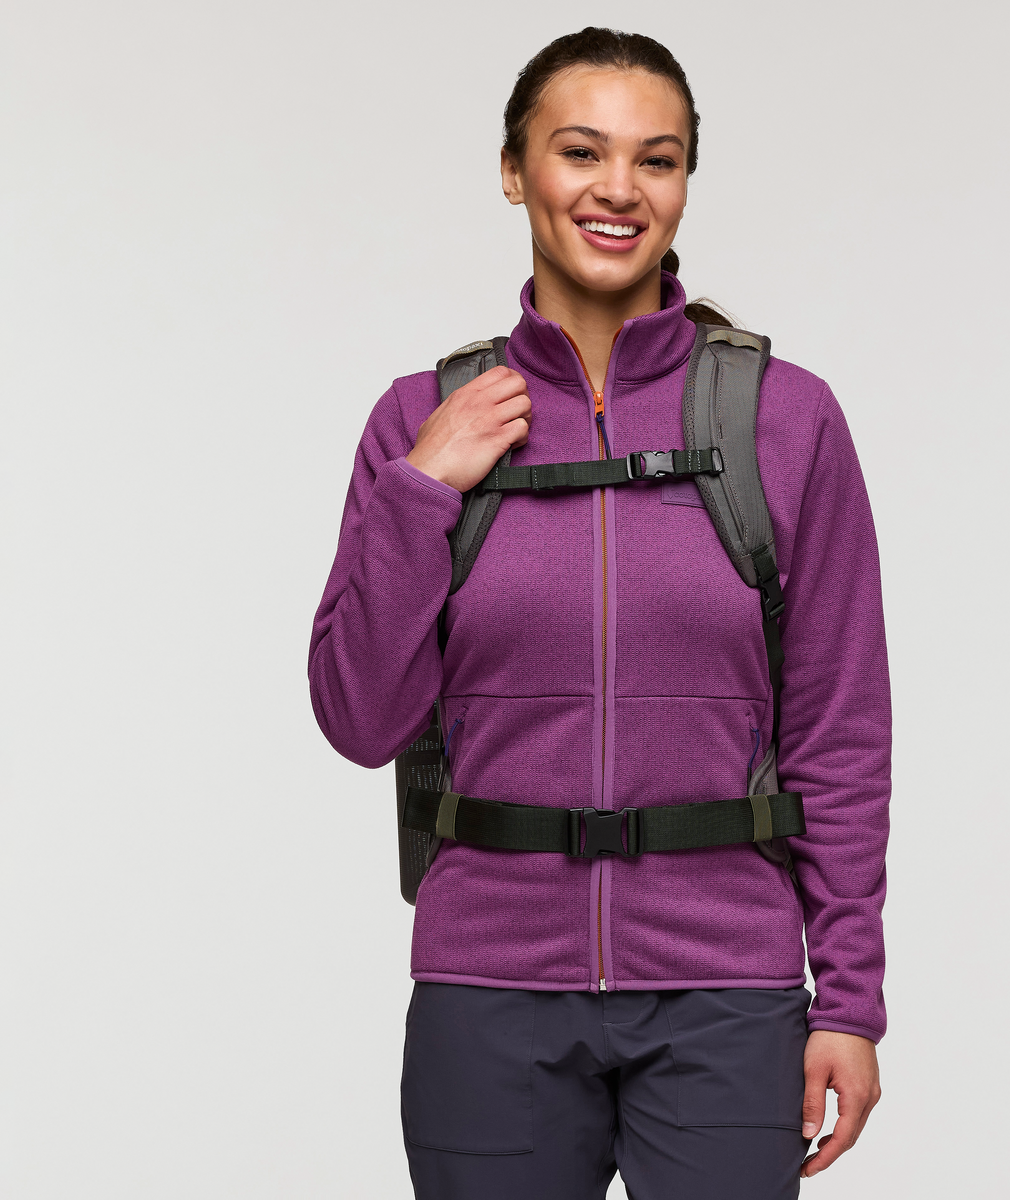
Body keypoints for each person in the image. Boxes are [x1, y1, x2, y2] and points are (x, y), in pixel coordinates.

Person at [309, 26, 889, 1200]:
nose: (619, 189)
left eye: (656, 159)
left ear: (684, 184)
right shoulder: (421, 418)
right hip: (489, 990)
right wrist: (421, 488)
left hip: (729, 989)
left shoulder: (786, 421)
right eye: (581, 151)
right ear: (514, 169)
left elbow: (840, 730)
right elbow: (359, 719)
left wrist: (851, 1000)